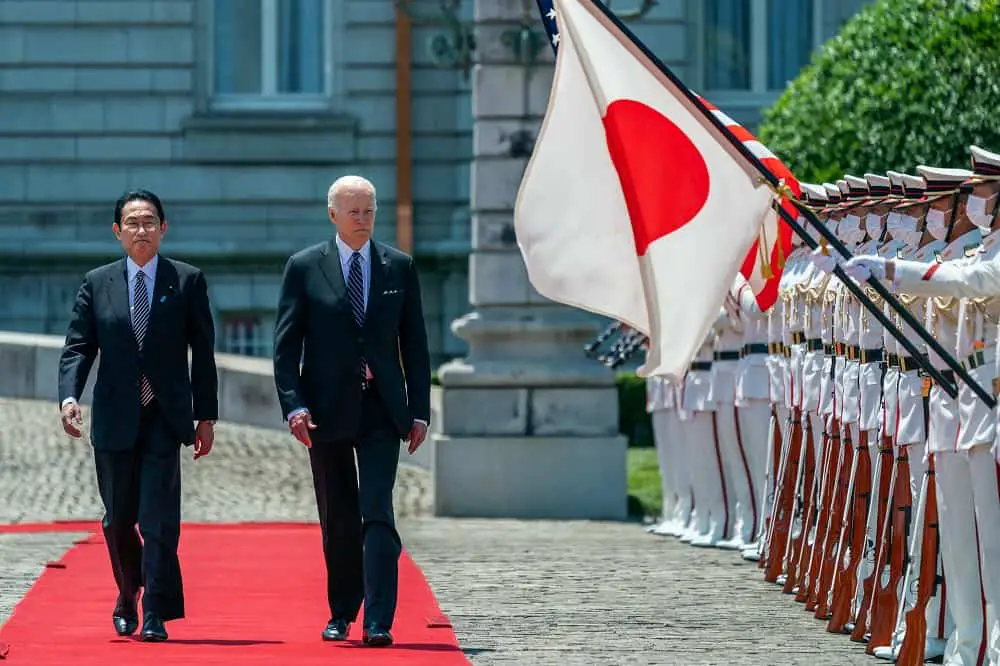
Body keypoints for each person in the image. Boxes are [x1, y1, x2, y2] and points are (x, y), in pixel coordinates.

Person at [272, 174, 432, 648]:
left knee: (377, 509)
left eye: (369, 211)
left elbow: (416, 347)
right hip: (325, 410)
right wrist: (294, 406)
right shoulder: (304, 267)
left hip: (382, 409)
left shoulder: (398, 266)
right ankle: (342, 610)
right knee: (338, 517)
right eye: (354, 211)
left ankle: (379, 619)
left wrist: (418, 411)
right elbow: (285, 348)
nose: (363, 219)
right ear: (333, 215)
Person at [57, 189, 218, 642]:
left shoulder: (186, 281)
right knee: (118, 519)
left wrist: (206, 416)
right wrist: (69, 397)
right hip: (115, 417)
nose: (141, 230)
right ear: (118, 232)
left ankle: (155, 613)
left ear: (163, 228)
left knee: (159, 519)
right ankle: (128, 593)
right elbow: (78, 346)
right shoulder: (98, 282)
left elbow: (202, 353)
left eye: (149, 222)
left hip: (164, 418)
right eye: (132, 223)